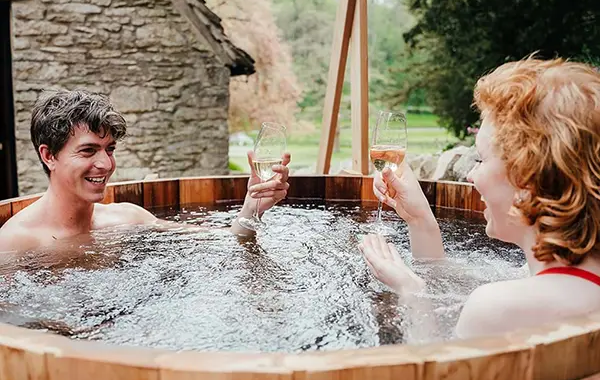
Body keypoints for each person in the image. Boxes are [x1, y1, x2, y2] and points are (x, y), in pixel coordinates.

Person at [359, 57, 600, 339]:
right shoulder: (562, 279)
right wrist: (420, 220)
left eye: (481, 159)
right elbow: (452, 286)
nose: (471, 175)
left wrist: (411, 292)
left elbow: (433, 377)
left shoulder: (496, 308)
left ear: (526, 180)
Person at [0, 89, 290, 254]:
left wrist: (253, 208)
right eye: (88, 151)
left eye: (109, 149)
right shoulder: (15, 242)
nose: (105, 164)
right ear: (49, 155)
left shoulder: (128, 218)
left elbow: (227, 240)